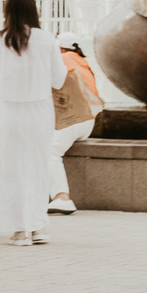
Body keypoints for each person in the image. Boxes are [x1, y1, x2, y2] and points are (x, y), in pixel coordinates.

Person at [0, 0, 66, 246]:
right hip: (40, 111)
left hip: (11, 111)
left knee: (11, 169)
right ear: (32, 8)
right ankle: (37, 226)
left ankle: (20, 229)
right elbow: (59, 80)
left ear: (7, 10)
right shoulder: (46, 39)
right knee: (37, 167)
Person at [49, 40, 102, 215]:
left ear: (60, 48)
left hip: (72, 119)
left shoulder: (63, 59)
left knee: (50, 151)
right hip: (88, 121)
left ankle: (62, 198)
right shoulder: (82, 62)